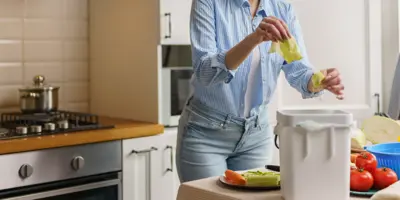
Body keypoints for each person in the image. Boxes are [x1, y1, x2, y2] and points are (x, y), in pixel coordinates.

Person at [176, 0, 344, 183]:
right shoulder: (208, 3)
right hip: (206, 134)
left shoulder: (282, 9)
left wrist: (319, 81)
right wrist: (254, 39)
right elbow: (205, 71)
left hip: (256, 137)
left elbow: (299, 71)